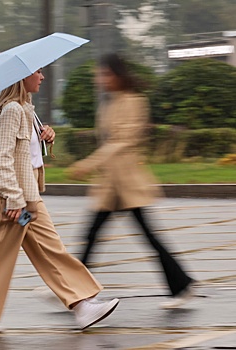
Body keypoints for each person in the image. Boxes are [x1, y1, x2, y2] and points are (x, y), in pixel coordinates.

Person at [0, 68, 119, 334]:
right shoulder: (11, 110)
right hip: (16, 200)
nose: (42, 77)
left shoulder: (26, 109)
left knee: (50, 249)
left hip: (27, 195)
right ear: (21, 77)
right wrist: (14, 199)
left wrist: (47, 135)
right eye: (38, 72)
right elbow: (2, 159)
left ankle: (82, 306)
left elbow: (27, 155)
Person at [67, 53, 194, 309]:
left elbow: (121, 141)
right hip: (111, 186)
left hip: (127, 184)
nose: (100, 79)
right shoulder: (108, 103)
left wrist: (87, 164)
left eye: (105, 74)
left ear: (118, 75)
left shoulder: (135, 101)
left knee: (145, 237)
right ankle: (74, 289)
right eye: (99, 74)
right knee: (91, 236)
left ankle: (182, 286)